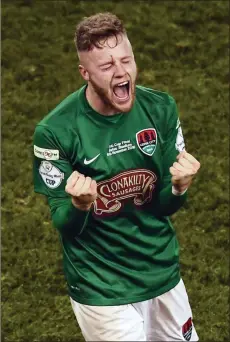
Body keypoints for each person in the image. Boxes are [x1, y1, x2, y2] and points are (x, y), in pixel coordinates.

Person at [33, 12, 200, 342]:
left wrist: (179, 187)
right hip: (101, 286)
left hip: (161, 271)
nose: (122, 72)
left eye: (126, 60)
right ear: (85, 73)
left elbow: (164, 205)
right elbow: (64, 224)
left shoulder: (160, 108)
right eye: (107, 66)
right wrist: (79, 205)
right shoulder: (55, 132)